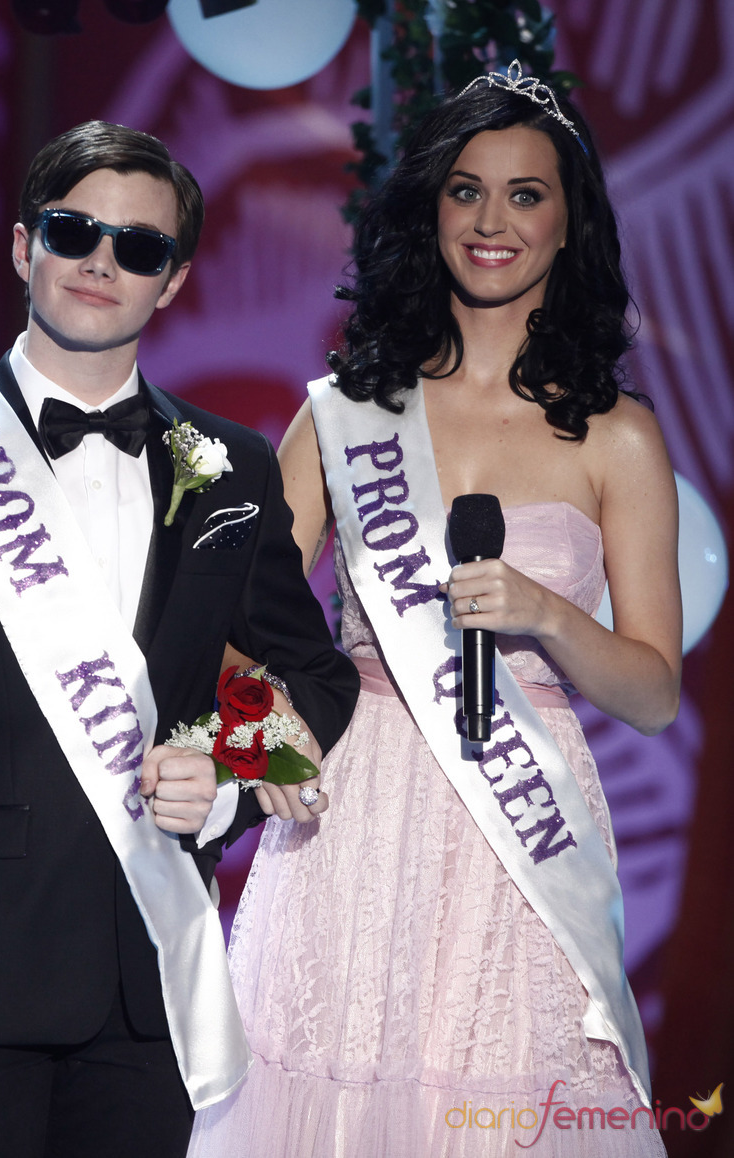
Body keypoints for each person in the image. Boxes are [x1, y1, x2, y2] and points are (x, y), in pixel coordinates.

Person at [0, 120, 359, 1158]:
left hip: (151, 985)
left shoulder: (231, 466)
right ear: (23, 249)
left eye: (138, 247)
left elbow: (311, 675)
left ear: (174, 280)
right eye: (73, 232)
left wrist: (228, 771)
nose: (102, 262)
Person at [189, 65, 679, 1157]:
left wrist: (547, 613)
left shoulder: (617, 436)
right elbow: (229, 626)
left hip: (523, 818)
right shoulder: (341, 414)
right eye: (464, 190)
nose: (490, 220)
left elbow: (651, 692)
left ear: (567, 223)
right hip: (349, 818)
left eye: (523, 193)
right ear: (429, 212)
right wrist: (261, 757)